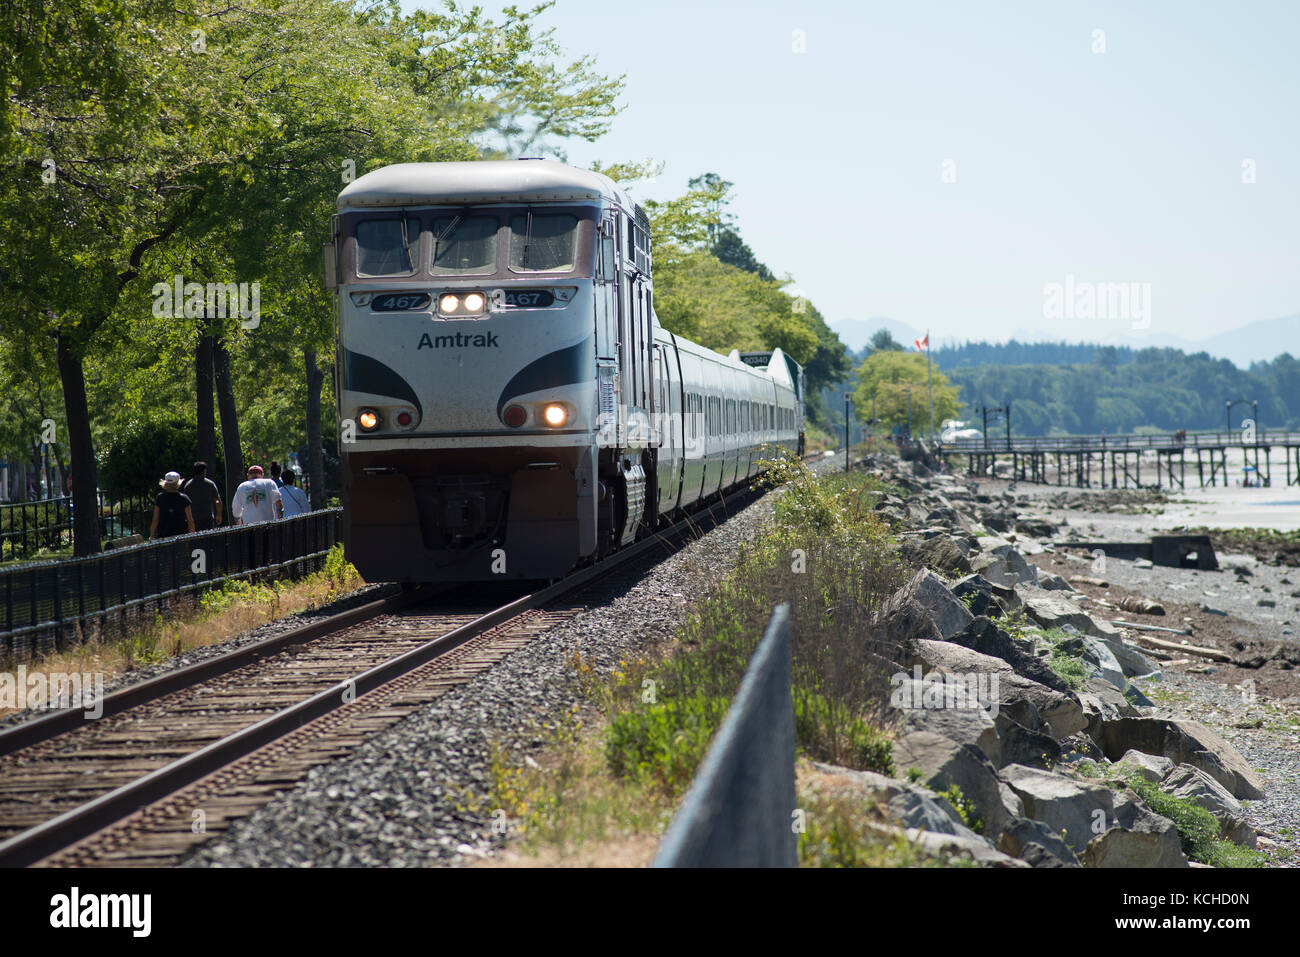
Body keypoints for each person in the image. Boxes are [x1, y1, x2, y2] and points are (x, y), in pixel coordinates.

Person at [150, 471, 195, 539]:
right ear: (178, 483)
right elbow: (190, 520)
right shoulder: (184, 498)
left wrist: (152, 536)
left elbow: (155, 518)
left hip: (163, 536)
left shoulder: (160, 497)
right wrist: (193, 536)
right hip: (181, 536)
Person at [182, 461, 223, 531]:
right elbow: (217, 500)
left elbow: (184, 503)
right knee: (208, 539)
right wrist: (219, 514)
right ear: (204, 471)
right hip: (208, 518)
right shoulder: (210, 484)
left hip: (193, 519)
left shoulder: (188, 486)